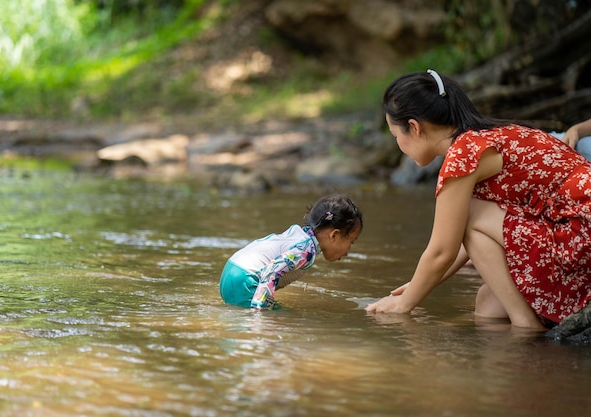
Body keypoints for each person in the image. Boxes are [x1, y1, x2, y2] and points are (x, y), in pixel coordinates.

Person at [366, 69, 591, 330]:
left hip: (578, 234)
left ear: (414, 127)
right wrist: (417, 284)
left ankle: (526, 325)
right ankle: (527, 350)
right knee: (488, 305)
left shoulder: (463, 155)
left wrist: (405, 304)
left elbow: (443, 250)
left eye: (396, 136)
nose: (398, 144)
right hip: (572, 231)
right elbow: (465, 238)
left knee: (472, 213)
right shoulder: (486, 137)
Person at [220, 194, 363, 309]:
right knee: (279, 320)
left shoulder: (298, 235)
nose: (348, 251)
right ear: (334, 235)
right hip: (245, 279)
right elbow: (272, 270)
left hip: (232, 271)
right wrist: (260, 311)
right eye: (351, 242)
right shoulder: (306, 251)